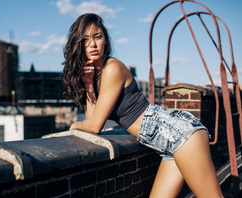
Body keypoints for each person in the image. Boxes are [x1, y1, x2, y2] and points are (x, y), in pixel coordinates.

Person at [62, 13, 223, 197]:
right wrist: (89, 84)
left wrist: (74, 126)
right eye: (85, 39)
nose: (92, 44)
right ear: (78, 44)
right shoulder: (97, 77)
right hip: (168, 145)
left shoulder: (112, 68)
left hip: (181, 135)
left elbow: (94, 125)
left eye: (97, 37)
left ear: (105, 40)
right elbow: (91, 122)